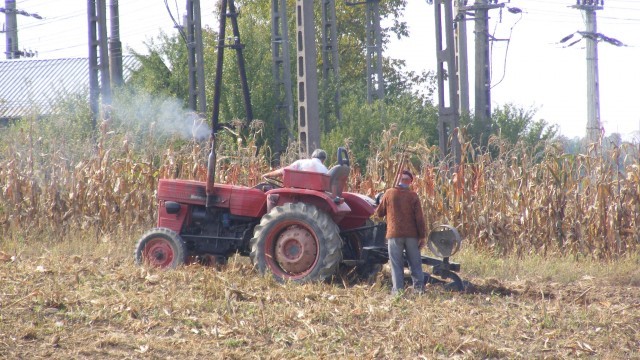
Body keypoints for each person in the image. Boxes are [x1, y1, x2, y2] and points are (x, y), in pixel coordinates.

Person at [374, 170, 427, 295]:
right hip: (411, 236)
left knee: (396, 264)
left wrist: (384, 200)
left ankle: (398, 292)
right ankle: (419, 290)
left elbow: (379, 213)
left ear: (398, 180)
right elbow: (419, 219)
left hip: (394, 235)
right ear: (410, 182)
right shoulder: (413, 196)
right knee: (415, 263)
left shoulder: (389, 193)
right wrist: (422, 236)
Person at [262, 148, 328, 179]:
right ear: (323, 160)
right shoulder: (325, 170)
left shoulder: (301, 163)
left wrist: (267, 175)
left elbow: (283, 171)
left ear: (312, 157)